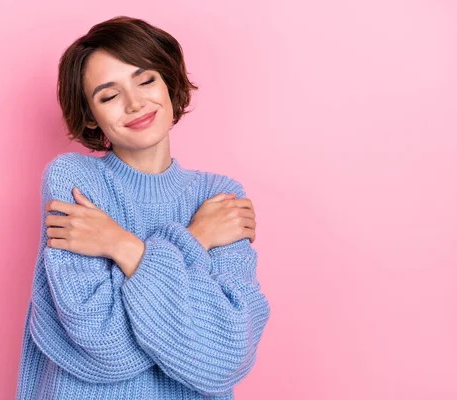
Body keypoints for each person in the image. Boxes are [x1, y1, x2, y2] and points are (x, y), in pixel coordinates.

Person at [15, 15, 271, 400]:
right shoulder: (74, 180)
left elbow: (225, 356)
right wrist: (197, 238)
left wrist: (122, 245)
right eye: (109, 95)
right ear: (90, 115)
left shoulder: (219, 197)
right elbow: (102, 345)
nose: (134, 103)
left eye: (146, 79)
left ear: (169, 82)